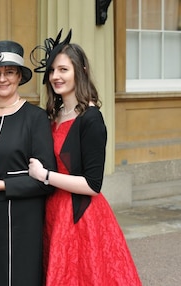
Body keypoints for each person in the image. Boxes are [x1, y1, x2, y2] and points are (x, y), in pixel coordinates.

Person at [29, 29, 142, 285]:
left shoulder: (90, 118)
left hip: (80, 216)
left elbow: (93, 185)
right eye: (52, 71)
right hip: (53, 212)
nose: (56, 76)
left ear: (80, 70)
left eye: (63, 70)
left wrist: (45, 175)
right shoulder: (54, 115)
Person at [0, 40, 56, 286]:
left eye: (9, 72)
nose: (2, 79)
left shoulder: (35, 118)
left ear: (19, 77)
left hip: (21, 220)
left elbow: (45, 181)